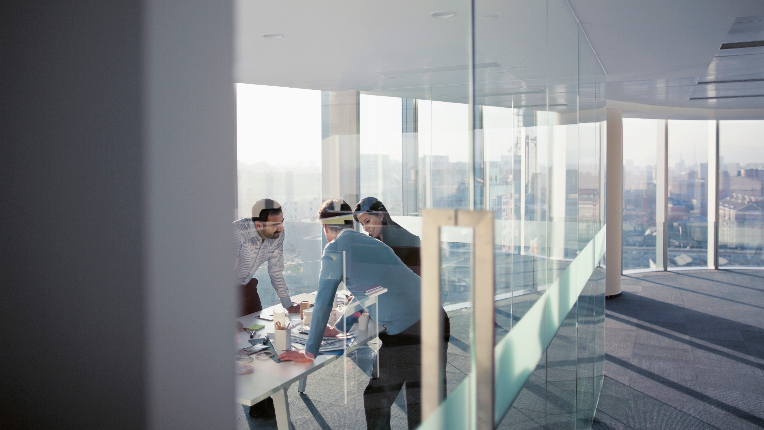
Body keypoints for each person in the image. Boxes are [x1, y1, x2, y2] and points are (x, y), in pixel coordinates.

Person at [279, 199, 450, 430]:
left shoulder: (335, 249)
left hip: (410, 332)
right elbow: (372, 293)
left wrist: (310, 352)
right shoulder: (376, 245)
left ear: (326, 227)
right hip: (437, 319)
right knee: (423, 402)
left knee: (377, 399)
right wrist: (339, 327)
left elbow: (323, 302)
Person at [233, 198, 301, 419]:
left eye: (282, 222)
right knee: (236, 342)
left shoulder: (277, 236)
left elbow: (276, 272)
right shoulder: (236, 234)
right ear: (258, 225)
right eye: (275, 224)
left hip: (246, 287)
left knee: (258, 337)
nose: (281, 229)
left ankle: (261, 399)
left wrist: (288, 303)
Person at [354, 197, 421, 275]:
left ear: (380, 215)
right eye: (362, 224)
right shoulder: (376, 239)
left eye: (367, 221)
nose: (365, 228)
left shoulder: (401, 240)